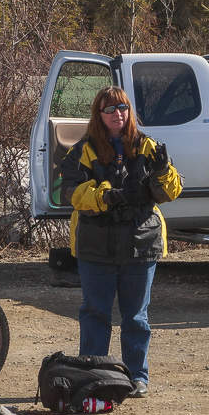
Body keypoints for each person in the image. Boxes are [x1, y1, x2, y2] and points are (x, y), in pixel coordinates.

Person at [60, 86, 183, 398]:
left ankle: (136, 377)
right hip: (95, 246)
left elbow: (170, 192)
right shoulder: (83, 150)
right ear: (99, 115)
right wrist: (108, 196)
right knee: (95, 314)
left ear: (130, 112)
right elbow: (70, 194)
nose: (117, 114)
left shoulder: (147, 146)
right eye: (110, 109)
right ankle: (92, 375)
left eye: (122, 108)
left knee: (136, 318)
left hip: (140, 244)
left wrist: (163, 172)